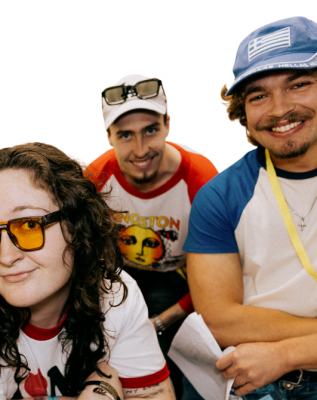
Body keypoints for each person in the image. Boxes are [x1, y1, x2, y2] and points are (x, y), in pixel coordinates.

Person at [182, 16, 317, 399]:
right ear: (243, 111)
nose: (280, 109)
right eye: (258, 96)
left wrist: (288, 353)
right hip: (254, 375)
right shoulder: (220, 195)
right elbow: (219, 320)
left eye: (298, 85)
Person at [0, 143, 175, 400]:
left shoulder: (113, 292)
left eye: (29, 225)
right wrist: (102, 393)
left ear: (77, 225)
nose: (6, 256)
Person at [86, 74, 218, 396]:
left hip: (183, 277)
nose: (140, 149)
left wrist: (159, 323)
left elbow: (217, 279)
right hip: (117, 275)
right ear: (109, 137)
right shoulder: (96, 178)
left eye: (150, 130)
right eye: (125, 135)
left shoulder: (201, 179)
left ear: (167, 125)